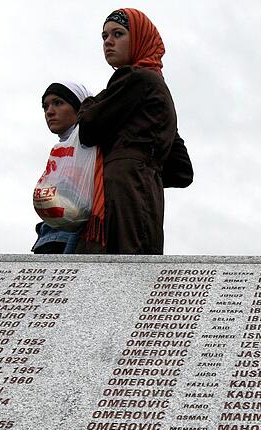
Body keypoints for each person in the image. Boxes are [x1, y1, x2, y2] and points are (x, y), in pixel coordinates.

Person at [74, 8, 192, 255]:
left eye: (118, 34)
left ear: (139, 38)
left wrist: (87, 104)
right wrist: (148, 168)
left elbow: (87, 128)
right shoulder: (157, 91)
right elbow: (182, 171)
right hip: (146, 191)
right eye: (104, 36)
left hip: (121, 190)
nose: (108, 42)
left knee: (118, 271)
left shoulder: (135, 78)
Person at [32, 81, 92, 254]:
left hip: (75, 239)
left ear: (79, 107)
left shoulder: (91, 147)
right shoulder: (61, 149)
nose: (49, 111)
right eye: (45, 106)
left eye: (58, 103)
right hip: (48, 236)